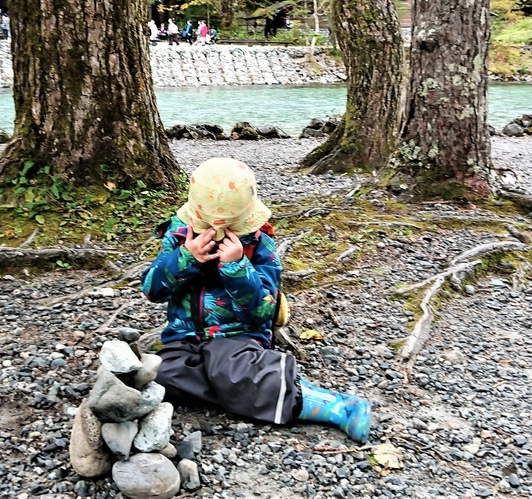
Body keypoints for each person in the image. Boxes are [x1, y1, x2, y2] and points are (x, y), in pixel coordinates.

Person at [142, 158, 372, 443]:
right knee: (161, 375)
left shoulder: (260, 244)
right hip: (184, 338)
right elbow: (152, 290)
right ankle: (250, 385)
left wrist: (237, 267)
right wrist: (185, 258)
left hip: (238, 339)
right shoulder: (178, 236)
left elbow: (263, 310)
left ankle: (334, 406)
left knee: (227, 366)